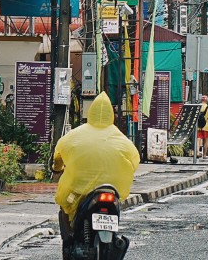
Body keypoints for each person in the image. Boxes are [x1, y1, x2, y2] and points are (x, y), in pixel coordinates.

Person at [51, 92, 141, 242]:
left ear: (90, 112)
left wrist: (57, 169)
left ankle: (70, 238)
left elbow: (58, 154)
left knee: (65, 204)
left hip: (78, 190)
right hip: (113, 188)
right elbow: (134, 161)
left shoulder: (73, 136)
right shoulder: (121, 139)